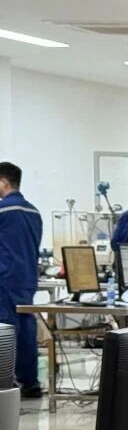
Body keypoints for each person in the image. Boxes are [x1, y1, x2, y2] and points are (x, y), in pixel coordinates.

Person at [0, 162, 45, 398]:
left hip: (4, 278)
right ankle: (30, 383)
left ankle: (4, 385)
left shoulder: (3, 210)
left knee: (5, 331)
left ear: (3, 182)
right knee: (26, 330)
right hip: (27, 279)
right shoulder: (34, 212)